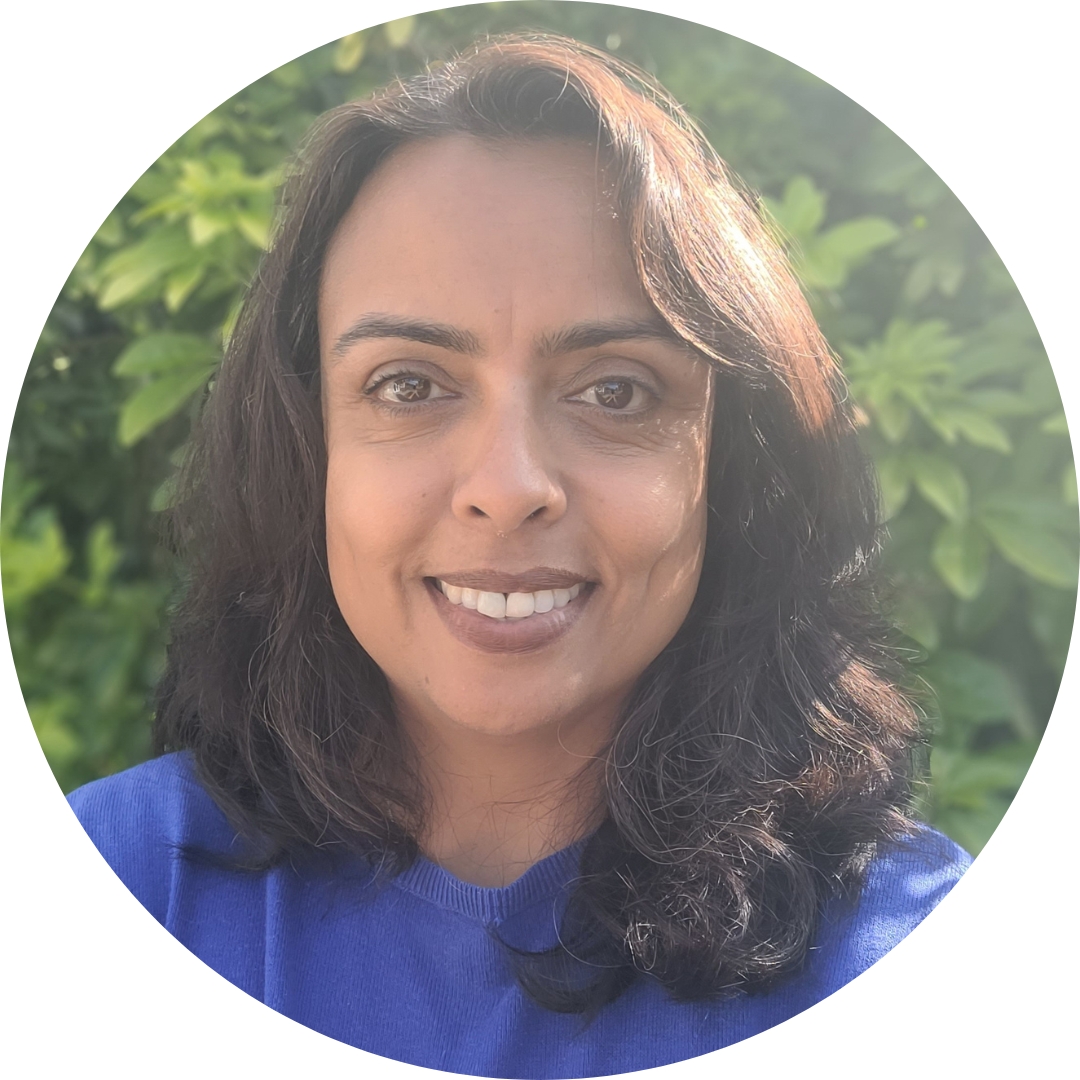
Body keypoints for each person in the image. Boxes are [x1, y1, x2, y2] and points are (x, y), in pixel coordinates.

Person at [67, 34, 969, 1078]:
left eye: (617, 390)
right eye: (409, 385)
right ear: (305, 446)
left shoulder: (912, 965)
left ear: (731, 465)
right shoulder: (110, 891)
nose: (506, 485)